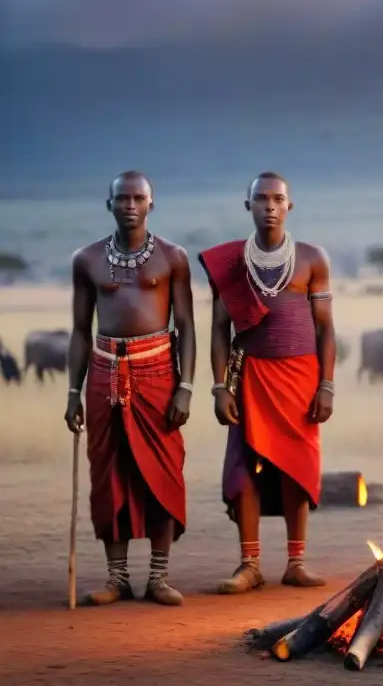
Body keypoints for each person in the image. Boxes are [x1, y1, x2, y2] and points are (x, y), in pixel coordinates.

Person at [198, 172, 336, 594]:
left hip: (300, 378)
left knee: (297, 468)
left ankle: (296, 562)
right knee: (243, 472)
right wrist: (221, 387)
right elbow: (220, 329)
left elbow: (326, 328)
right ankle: (249, 565)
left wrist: (326, 386)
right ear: (249, 207)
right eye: (261, 199)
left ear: (289, 206)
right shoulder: (232, 262)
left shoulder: (312, 258)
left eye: (278, 199)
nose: (270, 206)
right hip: (250, 378)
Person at [64, 171, 196, 606]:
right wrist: (72, 393)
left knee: (162, 471)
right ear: (109, 205)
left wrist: (186, 387)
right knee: (109, 474)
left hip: (157, 371)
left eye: (138, 198)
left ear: (151, 205)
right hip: (103, 373)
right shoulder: (86, 259)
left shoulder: (174, 258)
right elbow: (81, 331)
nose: (130, 204)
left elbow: (187, 327)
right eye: (122, 198)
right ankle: (116, 577)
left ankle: (158, 577)